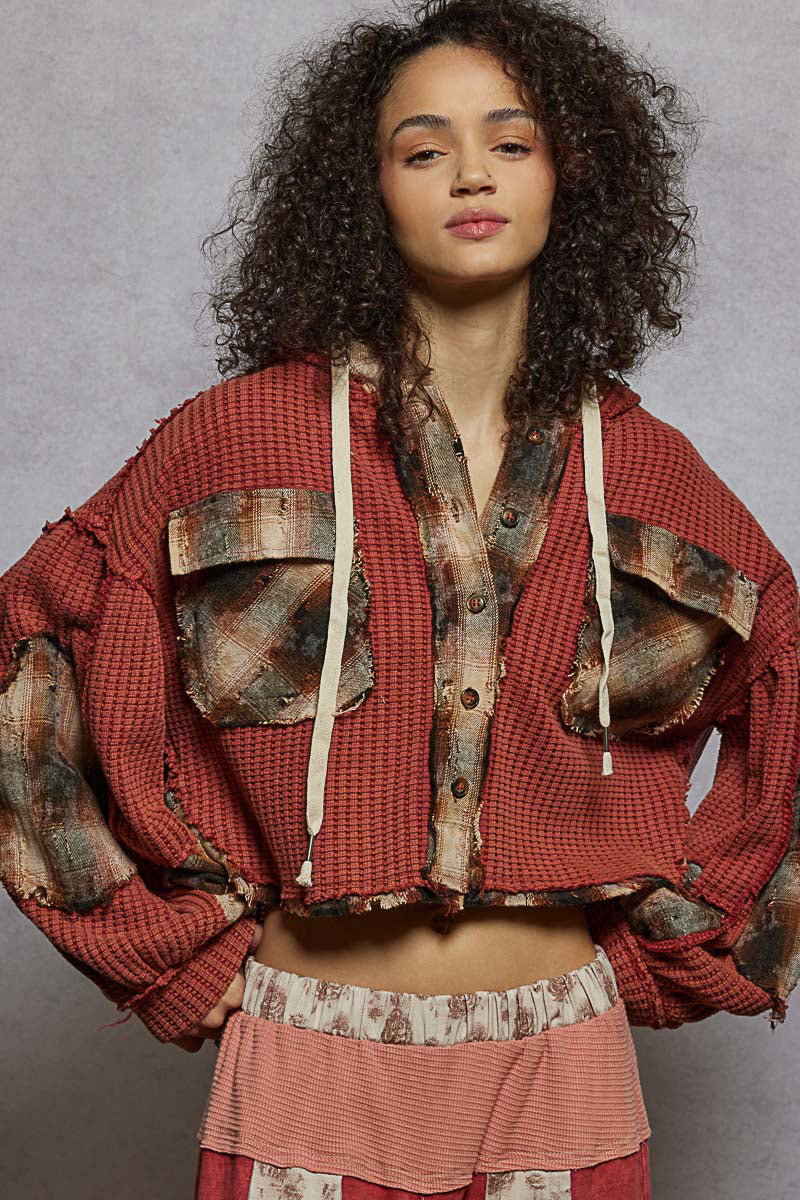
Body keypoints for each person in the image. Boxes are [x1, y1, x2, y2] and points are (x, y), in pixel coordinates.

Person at [1, 2, 798, 1198]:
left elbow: (786, 693)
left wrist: (689, 947)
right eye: (423, 150)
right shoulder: (233, 437)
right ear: (362, 191)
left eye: (510, 142)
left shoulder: (651, 474)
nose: (470, 173)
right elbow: (25, 654)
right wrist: (155, 950)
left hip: (560, 1062)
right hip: (303, 1051)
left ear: (570, 176)